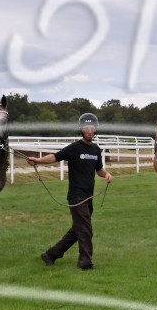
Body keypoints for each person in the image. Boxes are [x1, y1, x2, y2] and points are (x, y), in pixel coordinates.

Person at [28, 113, 112, 270]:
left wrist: (106, 174)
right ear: (81, 129)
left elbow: (99, 169)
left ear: (95, 130)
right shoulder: (74, 148)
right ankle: (85, 263)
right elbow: (55, 157)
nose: (89, 131)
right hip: (76, 196)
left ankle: (51, 254)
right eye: (86, 128)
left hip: (89, 196)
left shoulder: (96, 150)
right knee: (85, 230)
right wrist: (38, 160)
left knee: (77, 229)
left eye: (92, 128)